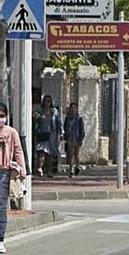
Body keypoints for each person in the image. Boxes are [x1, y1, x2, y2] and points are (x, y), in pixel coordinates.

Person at [0, 103, 27, 254]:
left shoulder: (11, 133)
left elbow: (18, 151)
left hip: (4, 172)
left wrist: (22, 170)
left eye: (2, 115)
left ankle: (0, 240)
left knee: (1, 207)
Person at [33, 95, 61, 178]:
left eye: (49, 101)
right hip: (42, 133)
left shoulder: (54, 111)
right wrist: (36, 118)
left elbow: (58, 122)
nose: (47, 102)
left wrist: (61, 132)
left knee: (50, 154)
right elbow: (35, 120)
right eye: (46, 100)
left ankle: (49, 171)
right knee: (41, 152)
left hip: (52, 135)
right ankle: (39, 168)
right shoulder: (39, 111)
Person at [63, 103, 85, 178]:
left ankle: (77, 166)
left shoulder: (79, 119)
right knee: (70, 155)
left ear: (76, 109)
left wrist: (81, 138)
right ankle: (71, 170)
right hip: (70, 138)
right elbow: (65, 128)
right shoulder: (67, 118)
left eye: (74, 108)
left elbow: (82, 129)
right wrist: (65, 137)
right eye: (71, 108)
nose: (73, 109)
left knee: (76, 155)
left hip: (77, 138)